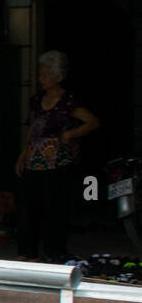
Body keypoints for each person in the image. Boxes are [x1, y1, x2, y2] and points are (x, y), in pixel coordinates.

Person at [15, 50, 100, 261]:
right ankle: (28, 252)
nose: (41, 78)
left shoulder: (68, 101)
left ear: (59, 77)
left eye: (45, 74)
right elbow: (32, 129)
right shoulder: (36, 100)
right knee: (28, 207)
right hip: (34, 160)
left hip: (58, 163)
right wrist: (23, 155)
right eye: (40, 74)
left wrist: (70, 134)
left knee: (55, 208)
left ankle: (54, 251)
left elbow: (93, 122)